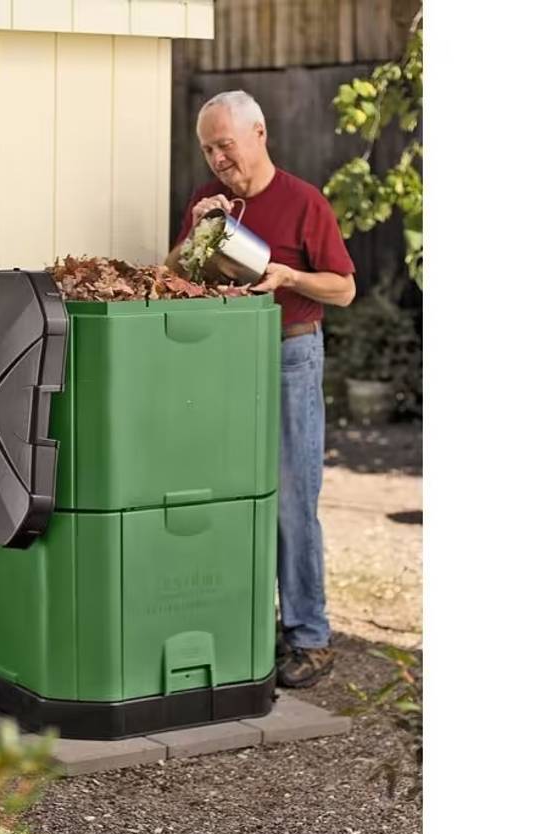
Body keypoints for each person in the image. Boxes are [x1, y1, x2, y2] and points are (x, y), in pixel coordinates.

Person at [165, 90, 356, 688]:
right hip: (220, 362)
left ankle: (310, 637)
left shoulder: (303, 202)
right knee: (228, 498)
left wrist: (291, 275)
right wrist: (198, 233)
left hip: (287, 354)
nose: (218, 157)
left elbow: (345, 289)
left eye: (225, 143)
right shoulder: (207, 203)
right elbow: (171, 275)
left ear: (259, 133)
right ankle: (248, 626)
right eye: (207, 149)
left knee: (291, 501)